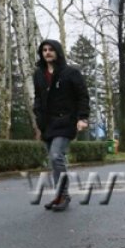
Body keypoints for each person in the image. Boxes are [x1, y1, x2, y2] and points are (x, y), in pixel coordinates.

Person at [32, 39, 89, 212]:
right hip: (47, 124)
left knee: (56, 155)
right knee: (53, 160)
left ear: (57, 51)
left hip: (66, 121)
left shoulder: (71, 72)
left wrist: (82, 118)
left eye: (51, 49)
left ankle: (63, 195)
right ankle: (58, 195)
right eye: (44, 50)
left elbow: (83, 96)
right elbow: (38, 97)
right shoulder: (39, 75)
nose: (47, 52)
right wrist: (38, 117)